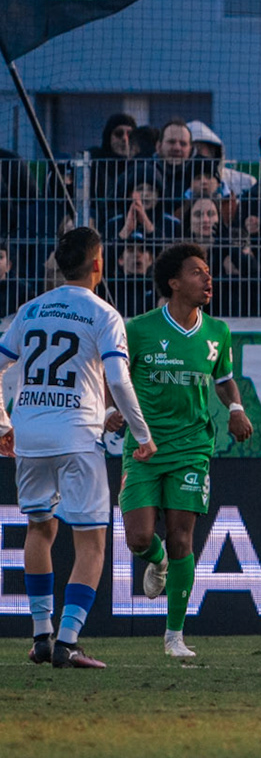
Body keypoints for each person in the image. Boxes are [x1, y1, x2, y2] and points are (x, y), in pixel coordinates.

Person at [0, 227, 155, 669]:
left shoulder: (29, 310)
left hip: (29, 434)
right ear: (98, 264)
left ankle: (41, 636)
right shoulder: (104, 314)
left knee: (39, 530)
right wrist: (143, 436)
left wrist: (2, 424)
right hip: (76, 437)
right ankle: (67, 642)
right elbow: (119, 380)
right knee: (91, 542)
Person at [109, 243, 252, 658]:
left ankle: (174, 635)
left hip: (192, 447)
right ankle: (156, 561)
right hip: (143, 447)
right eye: (197, 273)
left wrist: (236, 409)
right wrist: (109, 411)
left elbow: (223, 379)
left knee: (182, 537)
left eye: (208, 272)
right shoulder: (137, 330)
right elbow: (112, 377)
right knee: (138, 537)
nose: (208, 279)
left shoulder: (217, 332)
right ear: (173, 283)